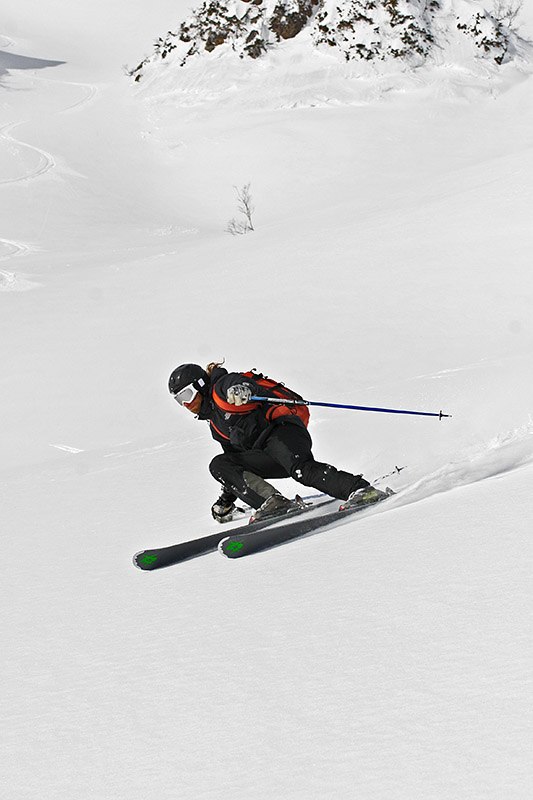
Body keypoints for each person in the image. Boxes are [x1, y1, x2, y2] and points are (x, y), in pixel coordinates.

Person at [168, 361, 387, 522]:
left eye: (187, 395)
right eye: (179, 400)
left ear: (200, 385)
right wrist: (226, 500)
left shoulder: (222, 387)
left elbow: (243, 385)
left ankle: (361, 490)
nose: (185, 404)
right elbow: (234, 464)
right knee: (219, 464)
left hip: (283, 432)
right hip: (266, 454)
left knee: (302, 470)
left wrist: (242, 390)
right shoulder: (216, 426)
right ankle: (273, 503)